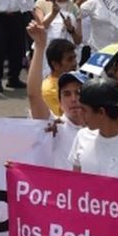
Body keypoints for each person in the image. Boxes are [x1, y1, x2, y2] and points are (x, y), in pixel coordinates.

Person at [27, 20, 87, 171]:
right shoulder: (54, 128)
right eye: (66, 94)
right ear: (60, 102)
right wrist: (39, 46)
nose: (74, 99)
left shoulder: (100, 131)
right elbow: (34, 95)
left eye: (78, 93)